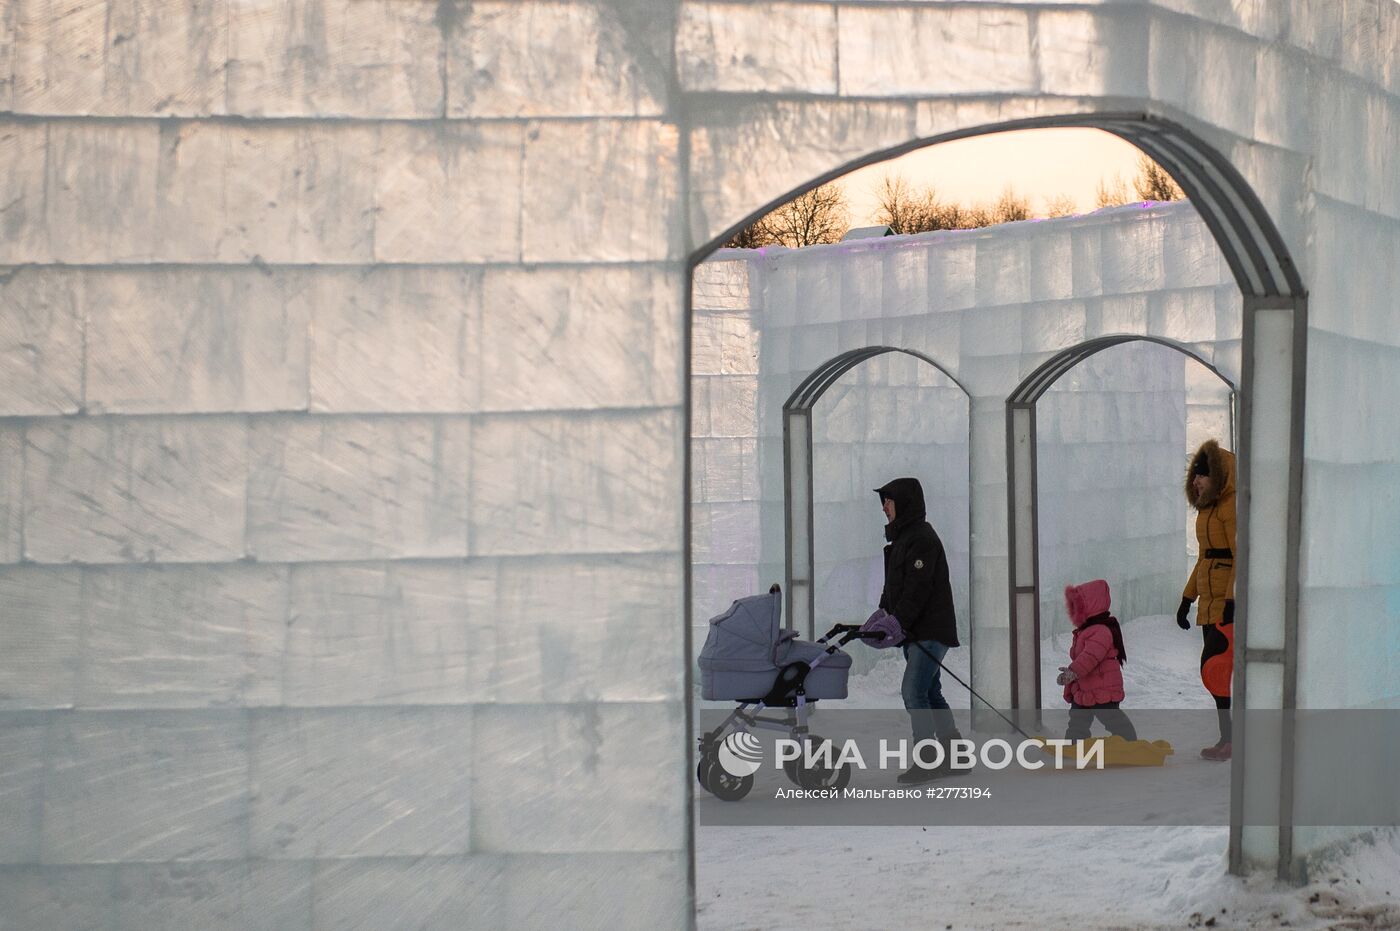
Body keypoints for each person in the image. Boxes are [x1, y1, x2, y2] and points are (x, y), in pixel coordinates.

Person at [872, 478, 964, 784]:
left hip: (930, 630)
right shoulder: (902, 540)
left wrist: (897, 622)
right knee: (930, 691)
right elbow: (894, 587)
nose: (884, 507)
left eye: (889, 500)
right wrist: (882, 614)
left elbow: (917, 590)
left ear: (905, 502)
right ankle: (955, 756)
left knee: (913, 691)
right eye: (883, 501)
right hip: (916, 630)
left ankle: (928, 761)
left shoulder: (922, 538)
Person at [1175, 439, 1237, 761]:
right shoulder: (1207, 511)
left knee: (1219, 668)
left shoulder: (1231, 506)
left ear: (1219, 475)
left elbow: (1240, 556)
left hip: (1228, 603)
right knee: (1214, 672)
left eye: (1203, 474)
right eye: (1195, 475)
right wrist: (1188, 599)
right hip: (1210, 603)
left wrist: (1232, 600)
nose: (1197, 480)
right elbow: (1204, 558)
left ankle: (1234, 738)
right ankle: (1227, 738)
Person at [1056, 580, 1137, 743]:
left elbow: (1090, 657)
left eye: (1078, 607)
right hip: (1084, 687)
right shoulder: (1087, 630)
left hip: (1102, 687)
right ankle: (1074, 744)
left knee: (1111, 718)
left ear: (1091, 607)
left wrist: (1073, 672)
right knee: (1078, 719)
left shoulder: (1101, 631)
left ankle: (1129, 742)